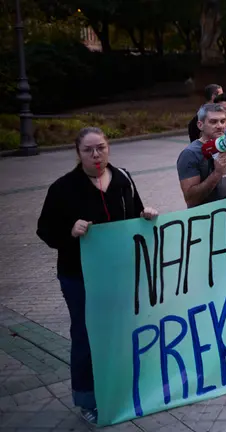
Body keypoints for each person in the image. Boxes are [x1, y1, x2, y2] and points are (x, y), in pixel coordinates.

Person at [37, 127, 160, 425]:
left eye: (101, 148)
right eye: (88, 150)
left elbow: (135, 212)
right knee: (85, 335)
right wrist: (70, 231)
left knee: (120, 332)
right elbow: (45, 230)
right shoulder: (63, 188)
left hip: (119, 273)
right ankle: (87, 399)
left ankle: (121, 389)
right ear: (77, 153)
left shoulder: (122, 179)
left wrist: (146, 215)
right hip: (78, 276)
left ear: (108, 148)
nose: (96, 155)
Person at [177, 104, 226, 208]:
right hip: (206, 218)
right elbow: (191, 200)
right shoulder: (190, 154)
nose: (220, 126)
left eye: (223, 121)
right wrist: (217, 173)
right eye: (213, 121)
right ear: (200, 125)